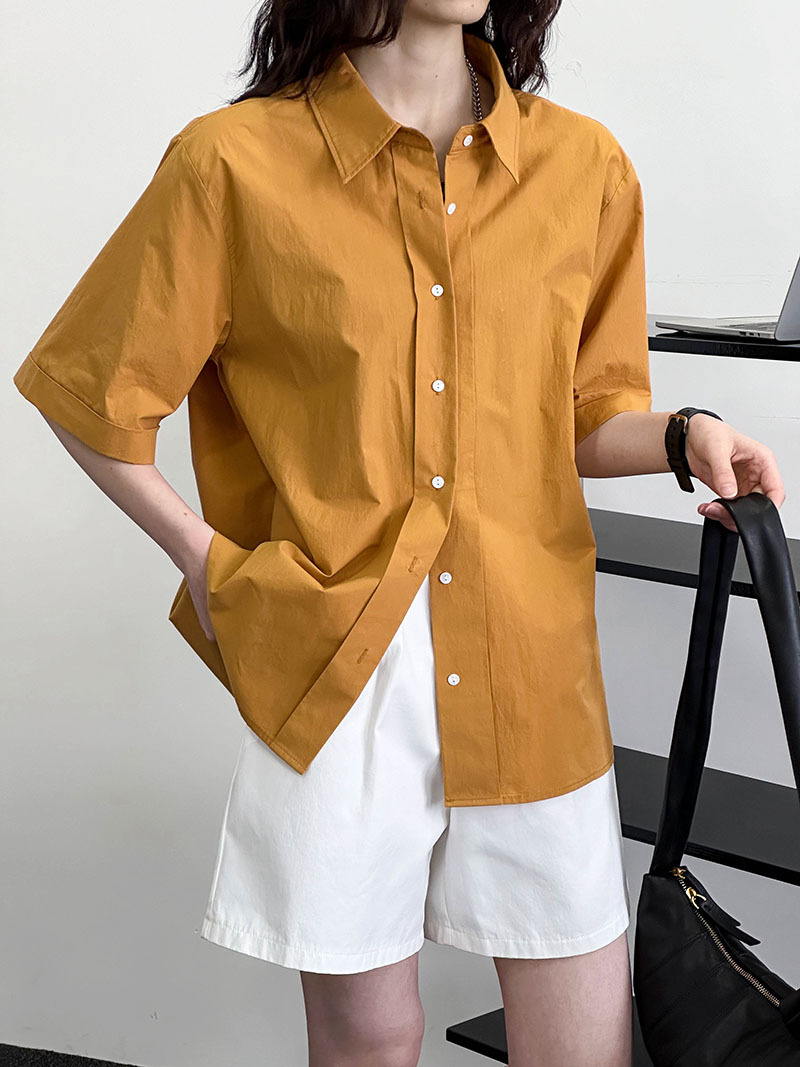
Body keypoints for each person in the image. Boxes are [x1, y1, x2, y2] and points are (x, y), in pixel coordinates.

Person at [12, 1, 786, 1065]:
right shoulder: (231, 164)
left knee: (581, 1039)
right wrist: (202, 559)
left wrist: (684, 433)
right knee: (370, 1042)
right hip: (339, 671)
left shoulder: (583, 167)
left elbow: (581, 415)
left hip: (527, 663)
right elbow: (86, 391)